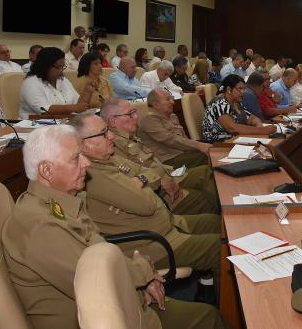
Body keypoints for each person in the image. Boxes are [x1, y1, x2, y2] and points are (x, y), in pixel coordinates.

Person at [1, 125, 223, 329]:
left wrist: (142, 281)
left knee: (206, 315)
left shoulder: (63, 201)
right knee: (208, 319)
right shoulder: (40, 228)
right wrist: (143, 276)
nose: (86, 163)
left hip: (113, 301)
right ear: (47, 171)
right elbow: (94, 285)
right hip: (97, 318)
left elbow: (98, 245)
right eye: (76, 158)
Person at [70, 114, 223, 296]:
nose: (111, 136)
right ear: (83, 144)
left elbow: (149, 173)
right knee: (221, 249)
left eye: (108, 131)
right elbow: (147, 205)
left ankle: (209, 286)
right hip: (152, 245)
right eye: (103, 134)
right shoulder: (94, 174)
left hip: (169, 225)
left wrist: (139, 181)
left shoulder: (109, 159)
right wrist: (140, 187)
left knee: (218, 224)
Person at [99, 99, 217, 214]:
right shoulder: (113, 145)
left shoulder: (130, 137)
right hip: (160, 192)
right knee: (205, 197)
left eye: (134, 112)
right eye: (130, 114)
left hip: (169, 175)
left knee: (206, 172)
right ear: (113, 121)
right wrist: (162, 181)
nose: (135, 117)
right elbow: (132, 179)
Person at [139, 89, 212, 169]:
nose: (173, 102)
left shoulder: (171, 115)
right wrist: (198, 145)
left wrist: (199, 146)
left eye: (172, 98)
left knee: (215, 147)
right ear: (156, 105)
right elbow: (171, 140)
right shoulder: (149, 119)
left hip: (184, 152)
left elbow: (183, 138)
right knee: (211, 156)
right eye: (168, 99)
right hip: (169, 161)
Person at [20, 47, 91, 119]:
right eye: (58, 67)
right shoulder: (31, 83)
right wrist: (73, 108)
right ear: (45, 66)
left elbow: (78, 105)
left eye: (63, 67)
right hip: (34, 126)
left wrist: (87, 91)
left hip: (63, 123)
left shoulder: (63, 80)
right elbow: (44, 110)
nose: (61, 71)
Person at [202, 74, 277, 142]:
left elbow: (252, 118)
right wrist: (262, 131)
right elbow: (232, 128)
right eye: (239, 89)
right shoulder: (220, 103)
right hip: (218, 145)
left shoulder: (236, 102)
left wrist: (259, 126)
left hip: (235, 140)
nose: (243, 92)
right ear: (229, 90)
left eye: (244, 89)